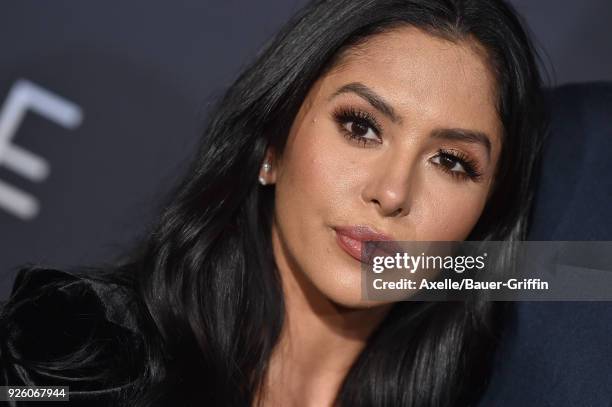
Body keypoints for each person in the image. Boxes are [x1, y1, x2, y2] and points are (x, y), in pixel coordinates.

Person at [0, 0, 546, 406]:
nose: (392, 192)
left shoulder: (492, 390)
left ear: (483, 219)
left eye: (451, 161)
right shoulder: (84, 357)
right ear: (272, 147)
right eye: (361, 127)